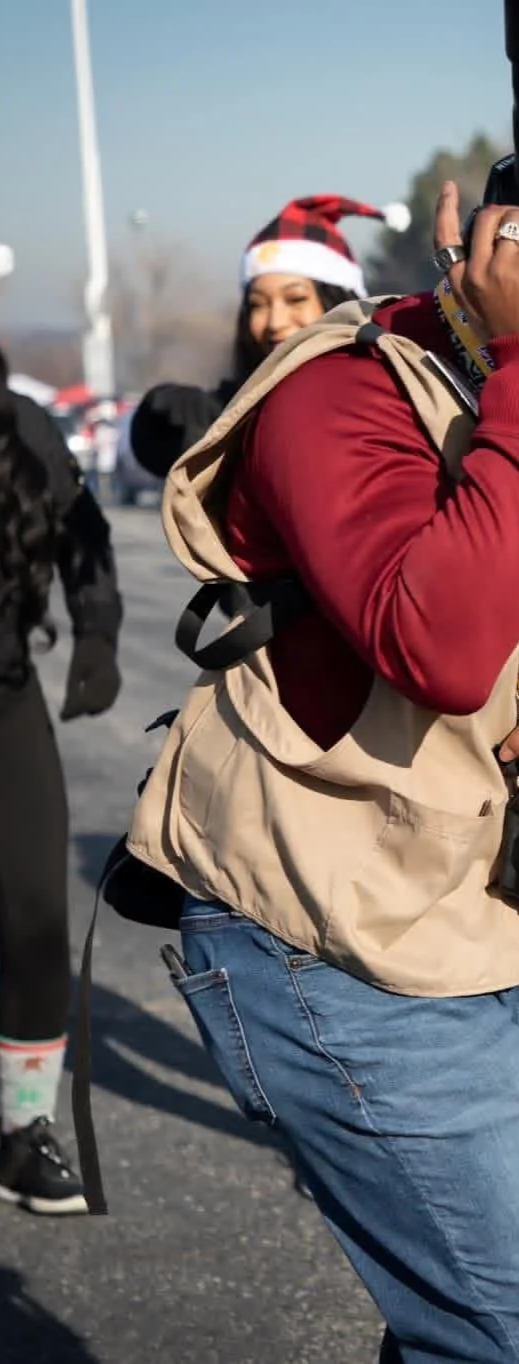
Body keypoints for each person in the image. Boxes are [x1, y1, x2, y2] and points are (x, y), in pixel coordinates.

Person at [124, 53, 519, 1360]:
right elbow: (446, 647)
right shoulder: (343, 391)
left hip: (464, 939)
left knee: (462, 1333)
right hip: (328, 950)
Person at [0, 348, 122, 1215]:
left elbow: (88, 536)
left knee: (37, 918)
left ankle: (20, 1130)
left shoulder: (25, 427)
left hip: (5, 700)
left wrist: (98, 634)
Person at [129, 195, 410, 479]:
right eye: (258, 304)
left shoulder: (392, 400)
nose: (275, 322)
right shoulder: (233, 414)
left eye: (295, 299)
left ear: (338, 303)